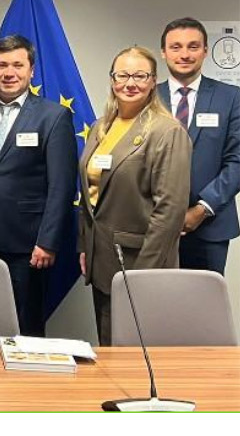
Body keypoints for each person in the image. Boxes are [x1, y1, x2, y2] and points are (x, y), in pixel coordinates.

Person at [0, 35, 77, 337]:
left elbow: (61, 185)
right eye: (2, 65)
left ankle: (26, 383)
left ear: (31, 70)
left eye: (17, 65)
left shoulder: (53, 116)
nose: (9, 72)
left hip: (27, 242)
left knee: (25, 323)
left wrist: (47, 241)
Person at [79, 46, 191, 345]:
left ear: (153, 81)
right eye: (123, 75)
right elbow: (90, 195)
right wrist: (84, 245)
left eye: (140, 75)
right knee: (109, 346)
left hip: (139, 261)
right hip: (101, 259)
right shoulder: (101, 127)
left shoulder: (167, 132)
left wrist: (144, 275)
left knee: (138, 354)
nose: (130, 83)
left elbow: (170, 210)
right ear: (112, 79)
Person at [158, 17, 240, 275]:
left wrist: (202, 209)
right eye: (176, 47)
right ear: (163, 52)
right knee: (156, 307)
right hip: (154, 225)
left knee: (204, 309)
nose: (184, 54)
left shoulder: (231, 97)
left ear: (205, 50)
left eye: (193, 46)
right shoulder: (147, 97)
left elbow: (237, 160)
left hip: (210, 225)